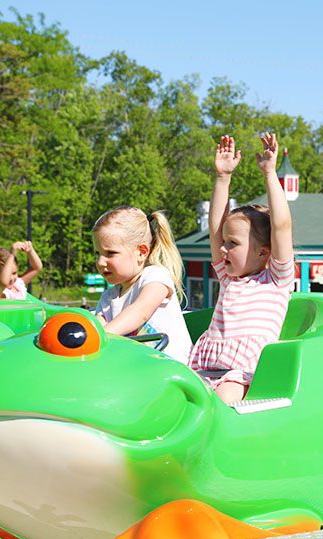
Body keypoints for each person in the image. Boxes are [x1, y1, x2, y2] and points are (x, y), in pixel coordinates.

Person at [188, 133, 294, 405]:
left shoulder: (275, 280)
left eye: (232, 243)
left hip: (240, 372)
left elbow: (281, 226)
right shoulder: (228, 277)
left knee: (222, 406)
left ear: (263, 251)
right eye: (224, 242)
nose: (222, 249)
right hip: (204, 366)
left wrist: (270, 173)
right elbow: (214, 229)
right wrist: (223, 178)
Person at [93, 206, 192, 364]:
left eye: (110, 253)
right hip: (137, 372)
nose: (100, 262)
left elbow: (140, 311)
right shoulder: (108, 297)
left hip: (171, 370)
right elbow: (96, 324)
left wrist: (100, 335)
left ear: (141, 252)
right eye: (97, 253)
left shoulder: (155, 277)